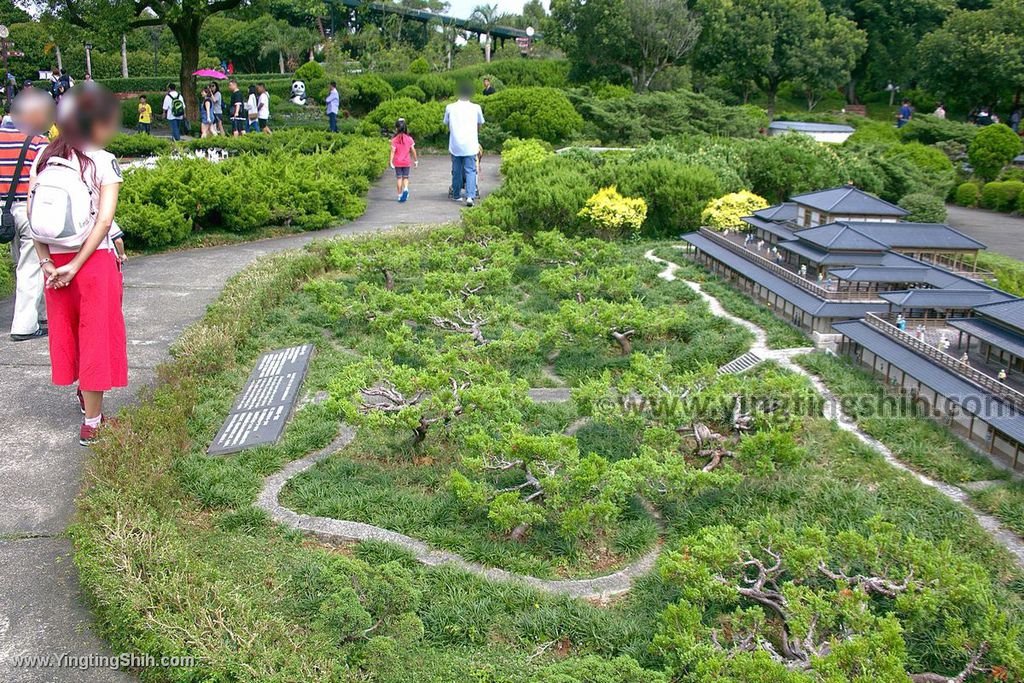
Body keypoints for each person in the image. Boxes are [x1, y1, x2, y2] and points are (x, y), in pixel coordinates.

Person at [27, 84, 127, 445]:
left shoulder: (45, 157)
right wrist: (78, 264)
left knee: (70, 334)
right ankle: (93, 422)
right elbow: (103, 221)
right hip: (93, 263)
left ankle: (85, 399)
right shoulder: (102, 159)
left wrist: (48, 263)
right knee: (96, 336)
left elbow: (32, 214)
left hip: (56, 265)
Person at [4, 89, 53, 341]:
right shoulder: (38, 142)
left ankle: (38, 314)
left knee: (18, 265)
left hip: (3, 212)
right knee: (30, 267)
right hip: (27, 209)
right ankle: (24, 325)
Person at [443, 81, 484, 207]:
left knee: (456, 170)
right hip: (470, 144)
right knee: (471, 170)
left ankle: (456, 195)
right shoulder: (476, 107)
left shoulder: (450, 107)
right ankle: (470, 196)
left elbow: (446, 123)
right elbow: (480, 124)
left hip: (455, 144)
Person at [390, 117, 418, 203]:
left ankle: (399, 195)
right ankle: (406, 188)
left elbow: (392, 151)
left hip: (397, 162)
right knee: (405, 177)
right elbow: (413, 150)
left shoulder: (394, 140)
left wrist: (391, 161)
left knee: (399, 178)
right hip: (406, 162)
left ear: (396, 128)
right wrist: (416, 160)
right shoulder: (409, 139)